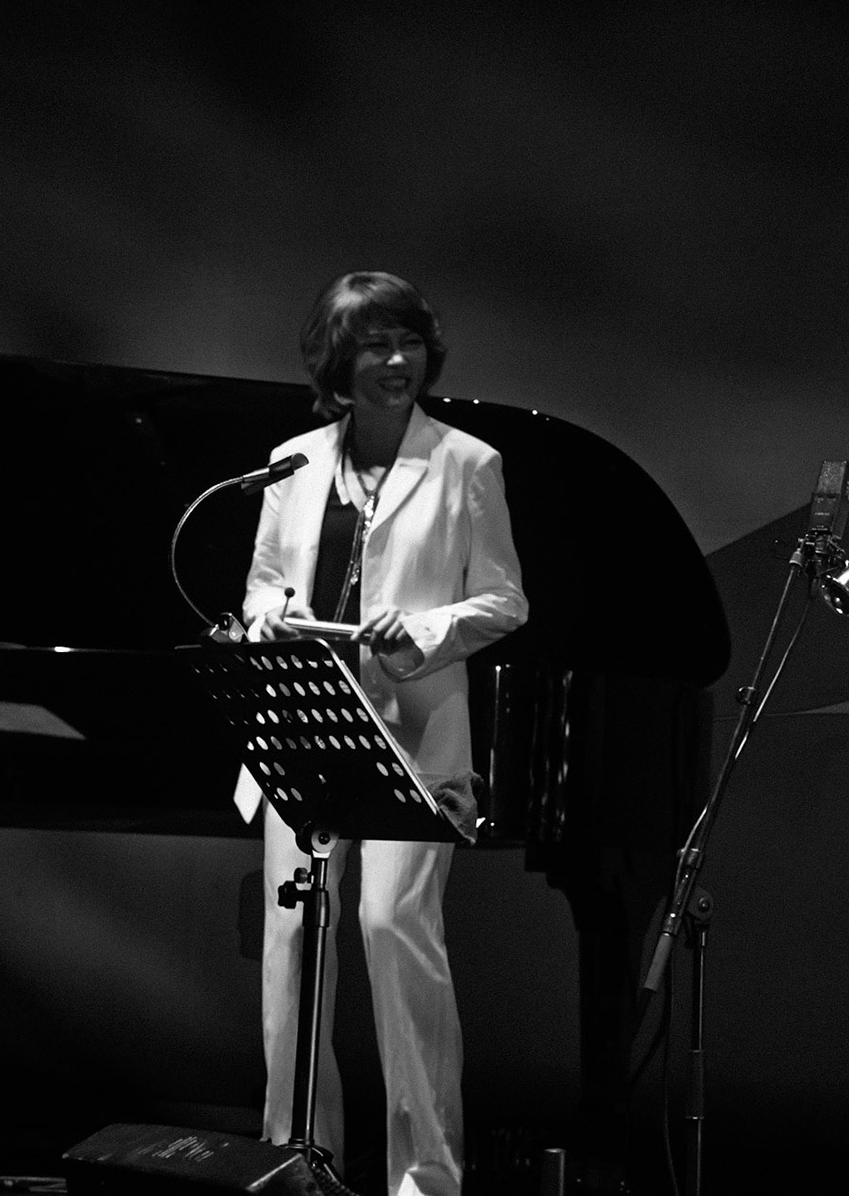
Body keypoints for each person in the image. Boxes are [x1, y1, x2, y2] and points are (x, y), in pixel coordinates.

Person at [237, 270, 527, 1196]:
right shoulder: (292, 462)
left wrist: (428, 629)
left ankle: (427, 1176)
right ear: (339, 361)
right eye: (375, 345)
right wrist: (272, 616)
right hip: (305, 724)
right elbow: (260, 587)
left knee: (392, 927)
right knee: (293, 940)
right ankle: (295, 1161)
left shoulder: (468, 463)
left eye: (408, 343)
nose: (397, 361)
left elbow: (505, 600)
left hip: (411, 732)